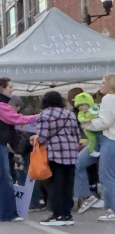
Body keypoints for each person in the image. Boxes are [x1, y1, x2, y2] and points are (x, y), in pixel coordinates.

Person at [0, 77, 37, 222]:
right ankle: (8, 213)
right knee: (5, 178)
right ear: (2, 89)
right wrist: (38, 117)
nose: (12, 89)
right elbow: (16, 119)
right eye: (10, 87)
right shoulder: (0, 104)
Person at [33, 90, 83, 225]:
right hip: (71, 154)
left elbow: (42, 136)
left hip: (54, 154)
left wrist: (33, 139)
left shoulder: (45, 115)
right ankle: (67, 215)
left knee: (54, 185)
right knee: (68, 185)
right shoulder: (70, 114)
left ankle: (57, 214)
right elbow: (77, 134)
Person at [83, 73, 115, 221]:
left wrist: (88, 124)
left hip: (110, 138)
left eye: (103, 83)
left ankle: (112, 209)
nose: (100, 86)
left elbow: (105, 121)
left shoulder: (109, 98)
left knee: (106, 176)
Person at [73, 90, 103, 212]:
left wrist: (89, 124)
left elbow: (103, 123)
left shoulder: (100, 108)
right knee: (78, 162)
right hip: (95, 143)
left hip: (105, 141)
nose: (81, 107)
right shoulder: (83, 113)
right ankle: (86, 196)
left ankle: (107, 201)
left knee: (107, 172)